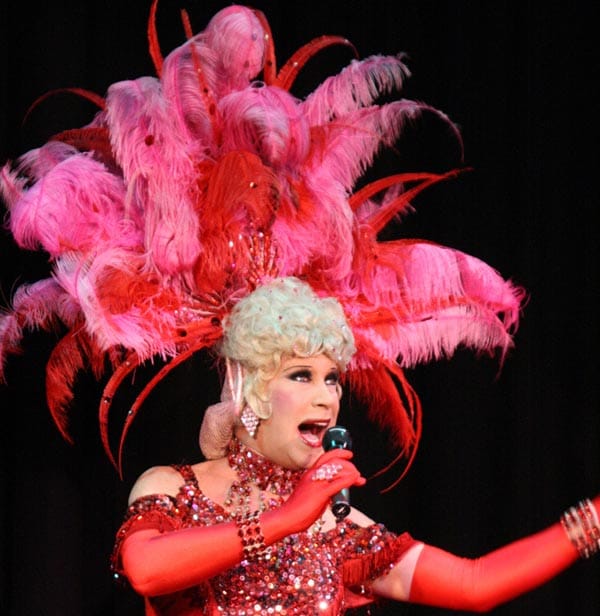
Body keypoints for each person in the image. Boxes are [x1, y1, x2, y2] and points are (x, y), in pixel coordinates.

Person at [0, 3, 597, 615]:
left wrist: (592, 523)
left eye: (331, 378)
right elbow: (146, 569)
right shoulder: (174, 487)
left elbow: (475, 584)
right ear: (250, 391)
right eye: (301, 376)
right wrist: (287, 518)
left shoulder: (337, 525)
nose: (326, 397)